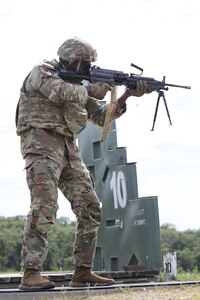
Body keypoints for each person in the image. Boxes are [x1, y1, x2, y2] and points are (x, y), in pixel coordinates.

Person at [16, 37, 149, 291]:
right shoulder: (43, 72)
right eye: (85, 64)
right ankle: (31, 272)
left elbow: (102, 117)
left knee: (90, 207)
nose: (88, 69)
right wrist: (90, 89)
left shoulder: (78, 84)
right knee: (44, 205)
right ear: (70, 60)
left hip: (67, 148)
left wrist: (128, 93)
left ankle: (82, 270)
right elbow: (59, 91)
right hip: (41, 144)